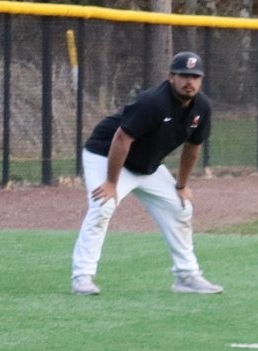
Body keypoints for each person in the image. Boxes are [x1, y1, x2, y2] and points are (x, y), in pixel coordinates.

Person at [71, 50, 222, 296]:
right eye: (184, 75)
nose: (189, 82)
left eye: (195, 77)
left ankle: (186, 276)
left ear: (201, 80)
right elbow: (121, 139)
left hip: (146, 166)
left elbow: (193, 148)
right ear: (171, 77)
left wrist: (181, 185)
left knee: (180, 207)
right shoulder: (153, 101)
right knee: (103, 205)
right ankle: (82, 277)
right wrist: (111, 182)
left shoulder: (201, 107)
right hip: (105, 155)